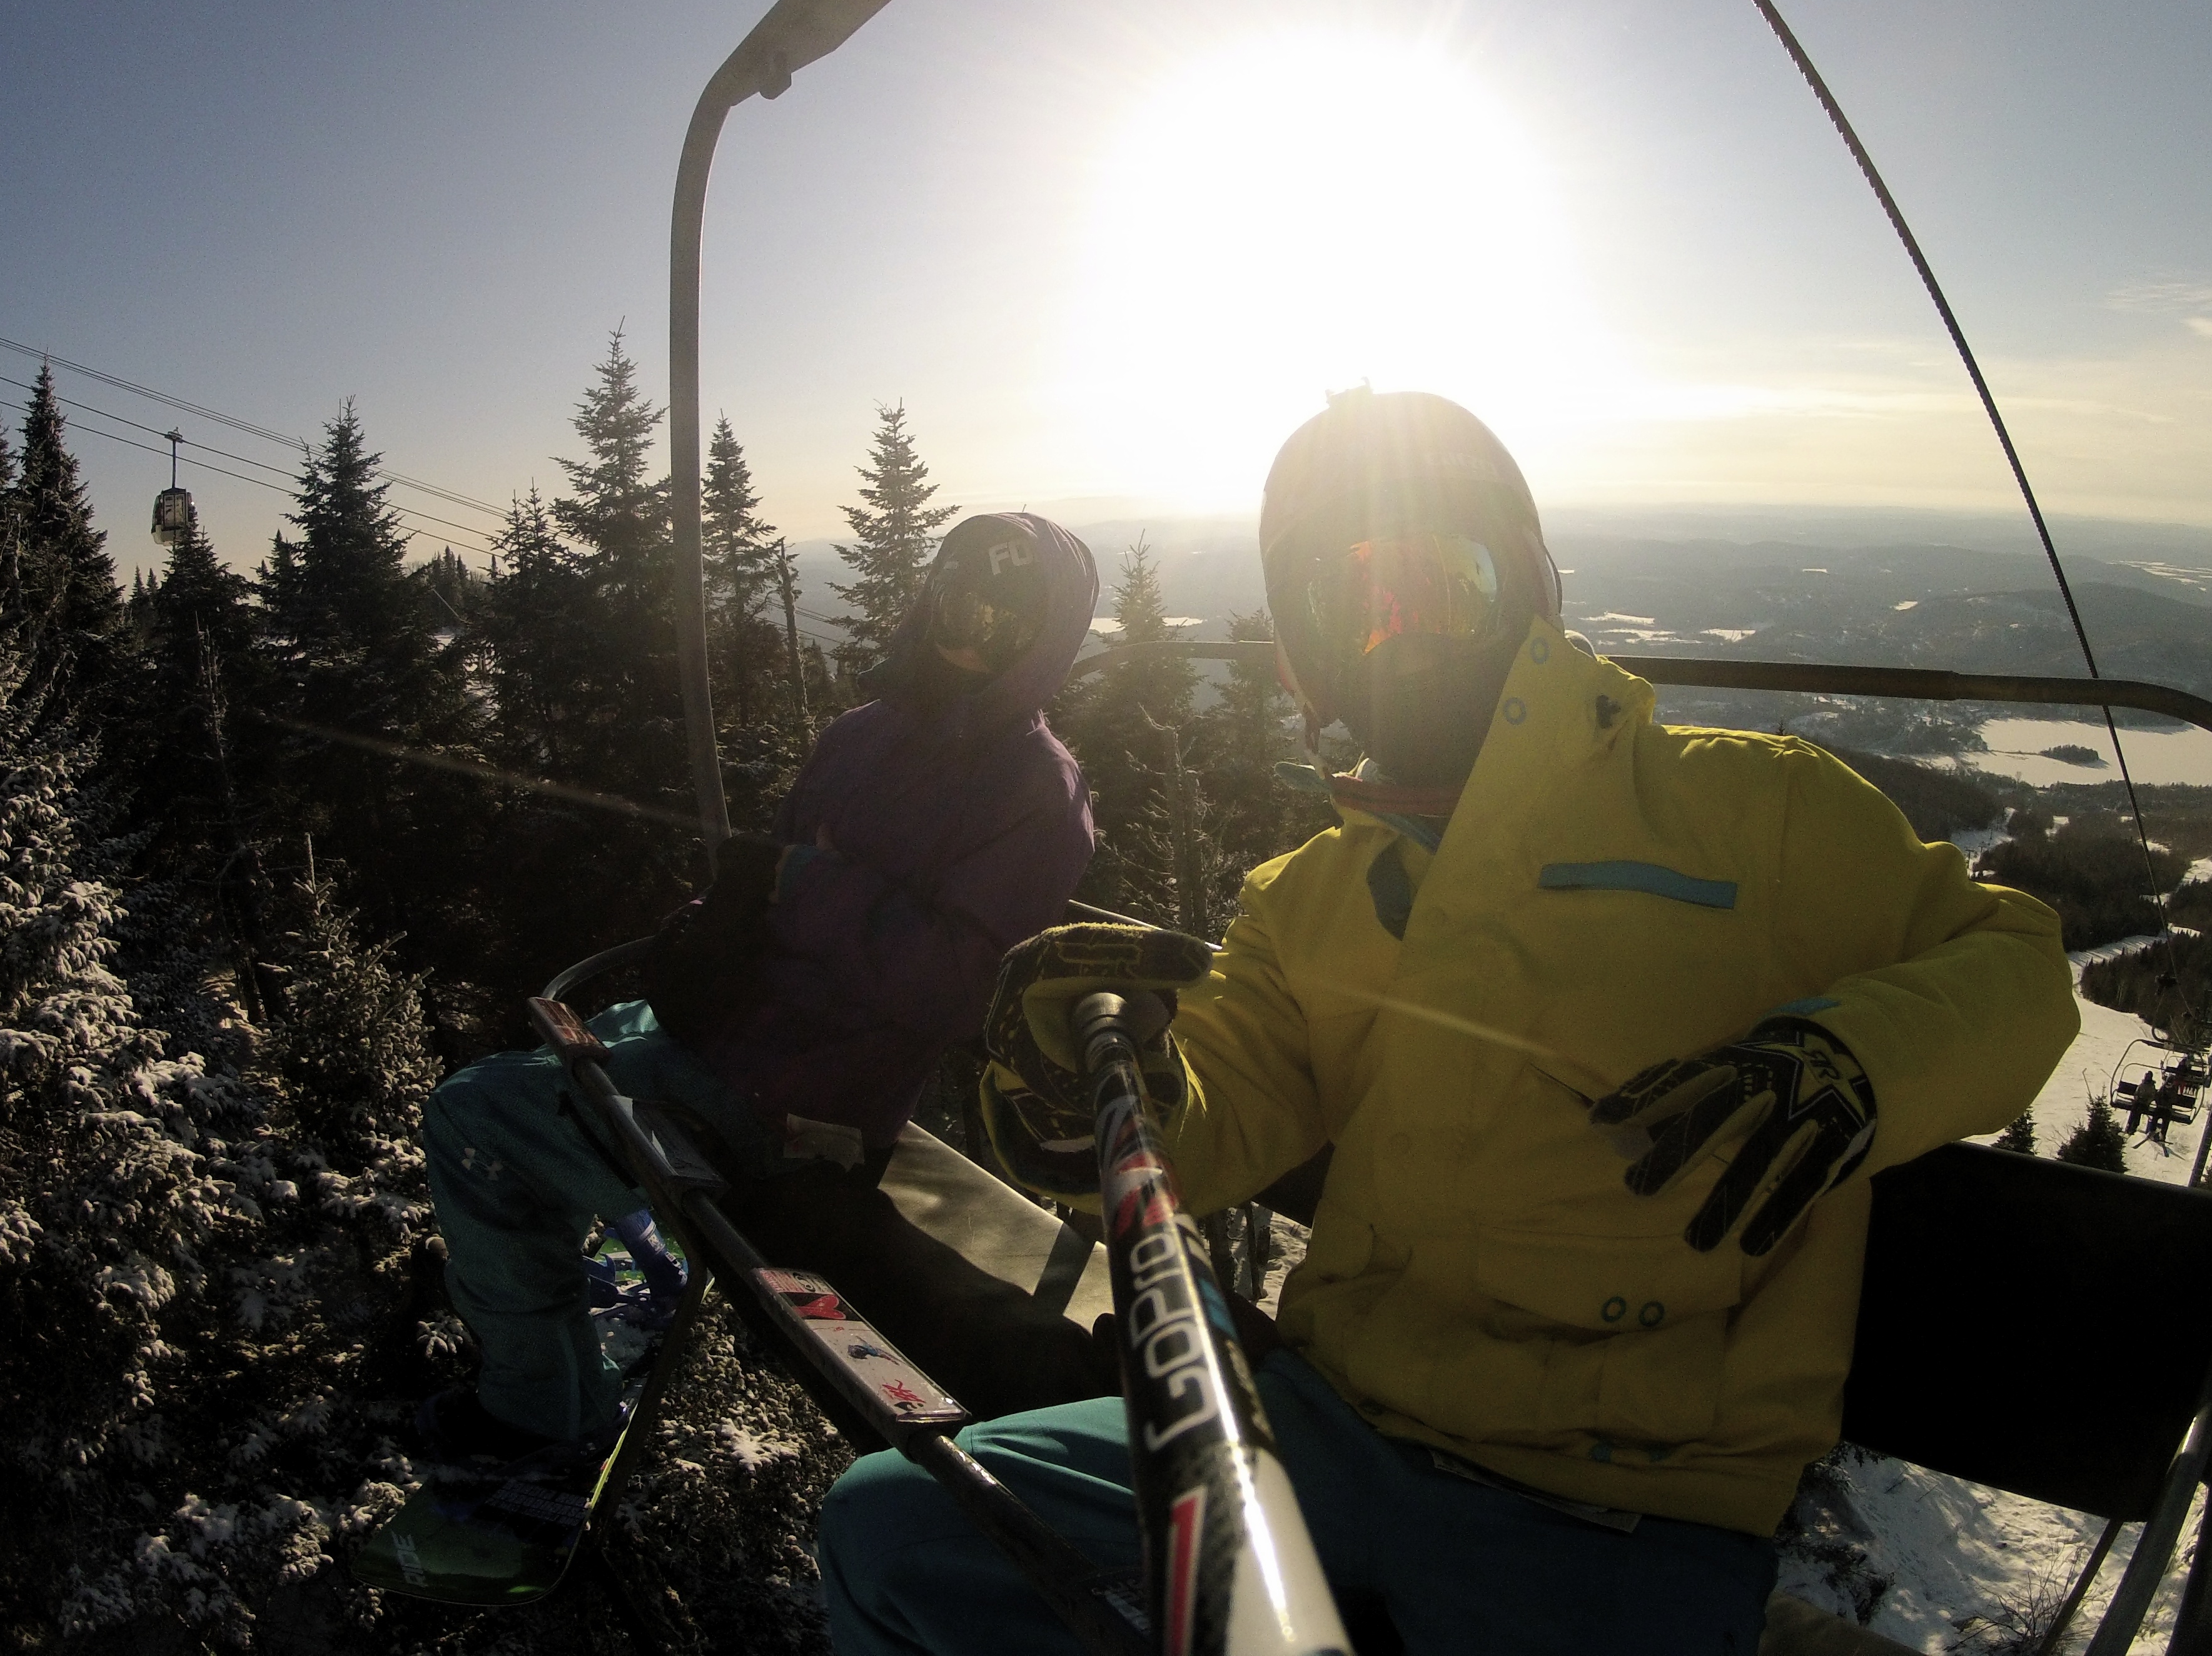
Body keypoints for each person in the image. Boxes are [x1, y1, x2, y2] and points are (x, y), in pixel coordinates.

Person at [817, 389, 2079, 1655]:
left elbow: (2016, 959)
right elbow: (1212, 1124)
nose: (1395, 637)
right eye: (1345, 605)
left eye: (1439, 585)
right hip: (1321, 1436)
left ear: (1526, 592)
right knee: (903, 1534)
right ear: (1305, 655)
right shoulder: (1308, 897)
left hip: (1626, 1508)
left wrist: (1855, 1058)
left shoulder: (1754, 813)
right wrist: (1101, 1085)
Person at [420, 512, 1106, 1461]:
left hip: (802, 1111)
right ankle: (540, 1295)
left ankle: (542, 1417)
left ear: (1043, 640)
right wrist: (740, 911)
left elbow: (955, 989)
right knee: (544, 1065)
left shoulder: (1035, 790)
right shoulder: (863, 735)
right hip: (733, 1036)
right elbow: (776, 881)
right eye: (958, 598)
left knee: (474, 1117)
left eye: (1003, 618)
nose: (969, 628)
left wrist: (806, 884)